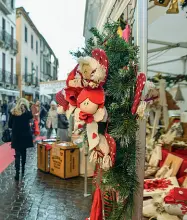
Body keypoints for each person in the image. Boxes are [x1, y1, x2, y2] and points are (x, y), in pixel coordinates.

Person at [8, 98, 33, 181]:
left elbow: (10, 125)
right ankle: (23, 171)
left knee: (17, 154)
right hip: (25, 136)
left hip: (16, 136)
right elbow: (31, 116)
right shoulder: (27, 113)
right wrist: (25, 108)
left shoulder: (14, 112)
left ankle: (17, 174)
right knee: (24, 153)